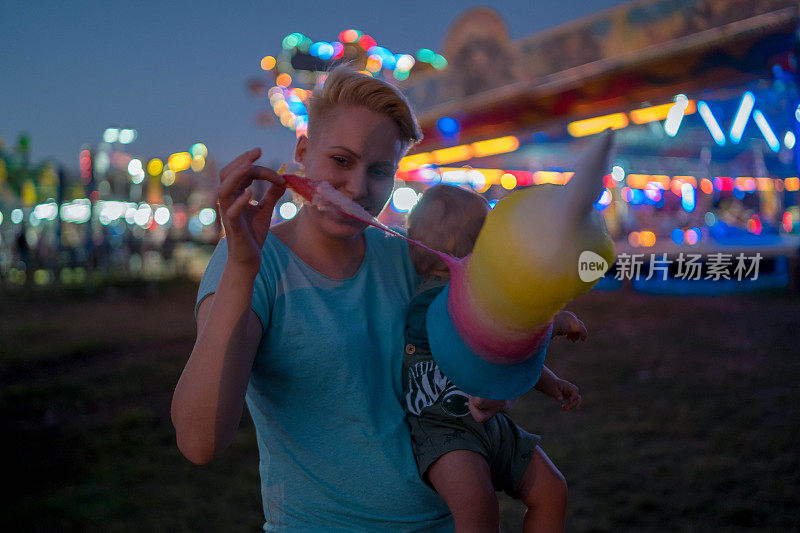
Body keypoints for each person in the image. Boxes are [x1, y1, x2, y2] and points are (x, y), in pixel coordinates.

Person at [171, 64, 454, 531]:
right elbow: (199, 440)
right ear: (303, 151)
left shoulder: (405, 257)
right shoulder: (253, 261)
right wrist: (243, 265)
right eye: (341, 161)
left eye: (380, 170)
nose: (359, 188)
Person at [403, 184, 585, 533]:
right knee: (478, 508)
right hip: (444, 432)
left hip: (493, 427)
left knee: (552, 489)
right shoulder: (429, 305)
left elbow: (506, 351)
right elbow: (495, 334)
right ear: (462, 248)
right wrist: (555, 323)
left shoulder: (482, 300)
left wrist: (551, 383)